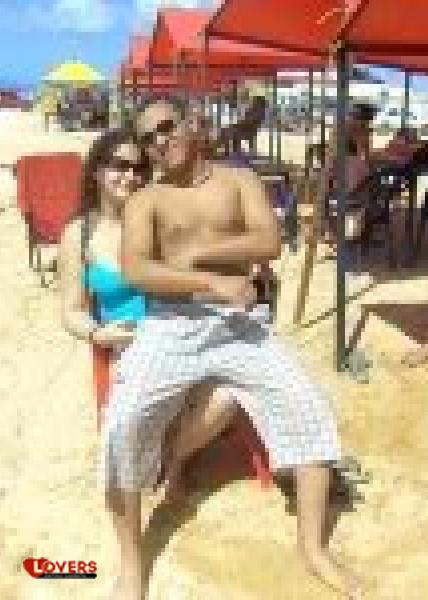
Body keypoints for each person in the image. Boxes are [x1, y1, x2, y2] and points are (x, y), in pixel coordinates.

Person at [99, 101, 363, 600]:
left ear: (192, 123)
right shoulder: (148, 199)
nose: (158, 143)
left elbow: (268, 241)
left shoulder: (239, 181)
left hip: (240, 326)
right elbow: (136, 268)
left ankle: (313, 548)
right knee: (124, 422)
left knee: (308, 406)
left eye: (166, 128)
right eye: (148, 138)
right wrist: (210, 282)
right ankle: (132, 566)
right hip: (172, 324)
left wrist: (196, 253)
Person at [58, 127, 253, 581]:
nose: (130, 175)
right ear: (97, 171)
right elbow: (70, 310)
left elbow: (207, 266)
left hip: (179, 336)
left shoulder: (160, 220)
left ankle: (168, 458)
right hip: (123, 345)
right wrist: (98, 332)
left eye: (139, 168)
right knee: (127, 430)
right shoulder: (79, 234)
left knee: (228, 396)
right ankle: (132, 561)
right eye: (120, 166)